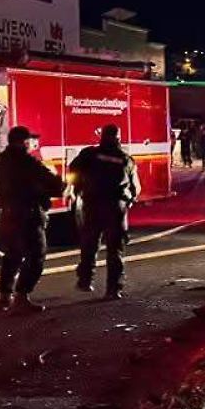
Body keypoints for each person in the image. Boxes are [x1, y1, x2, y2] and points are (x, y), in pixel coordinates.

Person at [0, 126, 65, 313]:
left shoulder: (0, 161)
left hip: (6, 214)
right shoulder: (27, 162)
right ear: (24, 142)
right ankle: (22, 297)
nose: (32, 144)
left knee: (13, 255)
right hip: (28, 215)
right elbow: (53, 184)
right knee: (36, 255)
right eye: (29, 141)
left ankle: (5, 296)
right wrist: (62, 185)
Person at [68, 124, 141, 300]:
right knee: (115, 249)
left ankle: (85, 280)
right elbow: (136, 187)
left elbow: (73, 170)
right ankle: (113, 289)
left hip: (92, 205)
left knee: (89, 244)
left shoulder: (88, 154)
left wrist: (78, 188)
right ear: (118, 138)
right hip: (116, 208)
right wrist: (130, 199)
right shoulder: (125, 159)